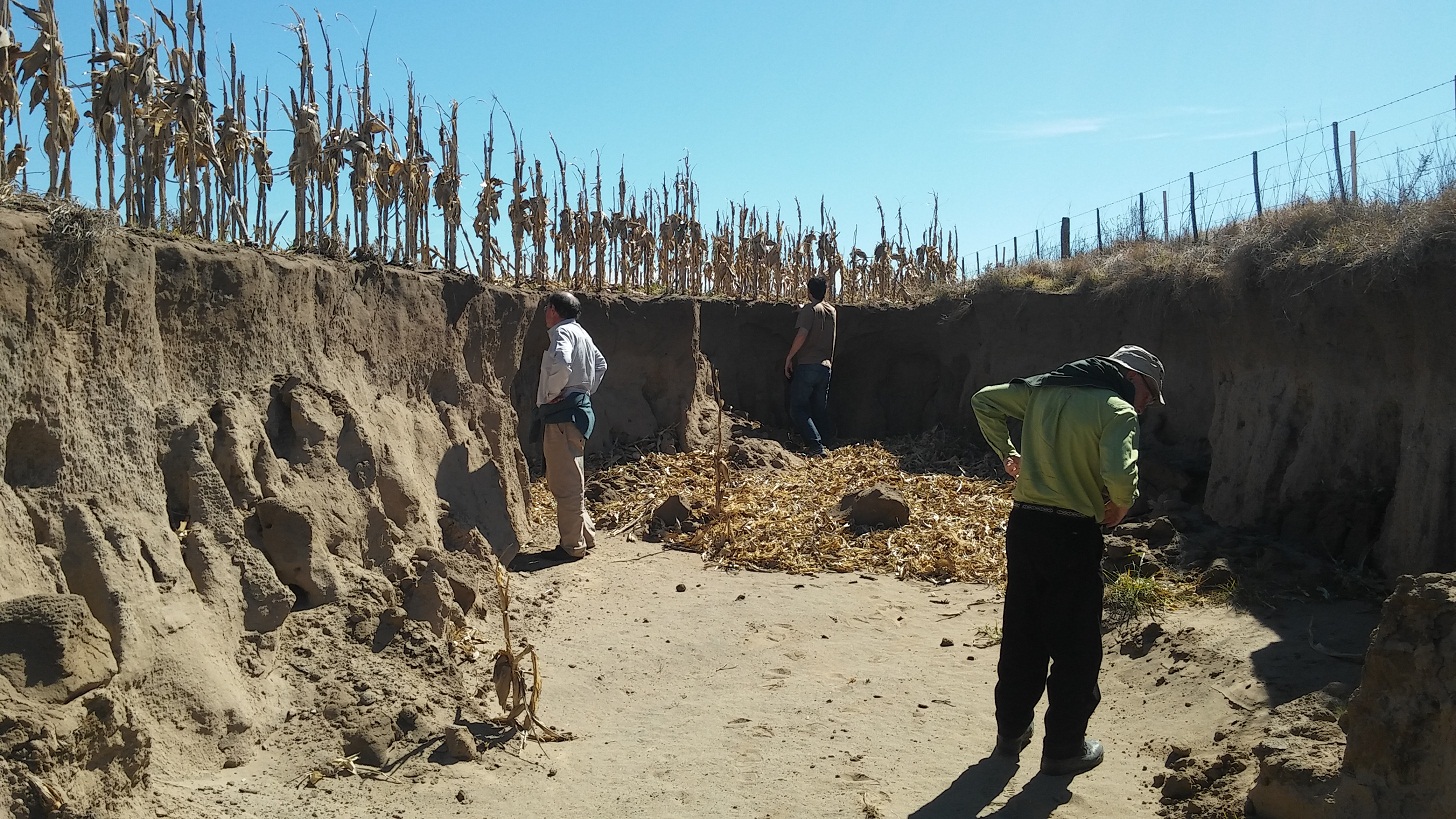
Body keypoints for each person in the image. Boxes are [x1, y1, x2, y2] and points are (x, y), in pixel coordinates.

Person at [969, 344, 1166, 777]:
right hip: (1072, 533)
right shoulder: (1117, 410)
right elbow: (1119, 473)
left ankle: (1010, 734)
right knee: (1075, 646)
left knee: (1023, 630)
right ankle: (1063, 749)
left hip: (1024, 526)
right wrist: (1121, 503)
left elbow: (983, 399)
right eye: (1149, 395)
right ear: (1133, 378)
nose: (1146, 405)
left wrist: (1008, 452)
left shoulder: (1042, 391)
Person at [537, 291, 608, 560]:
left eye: (547, 308)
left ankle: (571, 546)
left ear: (554, 310)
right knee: (573, 477)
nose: (545, 314)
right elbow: (601, 365)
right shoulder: (583, 334)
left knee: (565, 484)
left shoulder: (561, 333)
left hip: (562, 416)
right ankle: (586, 536)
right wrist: (583, 390)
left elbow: (563, 362)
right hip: (577, 414)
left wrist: (554, 393)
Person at [783, 276, 836, 457]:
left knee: (797, 408)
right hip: (825, 368)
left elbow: (802, 334)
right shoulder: (832, 311)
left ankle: (816, 447)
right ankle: (827, 442)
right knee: (819, 408)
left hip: (808, 366)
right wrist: (803, 310)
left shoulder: (809, 311)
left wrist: (790, 357)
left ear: (809, 291)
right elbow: (818, 312)